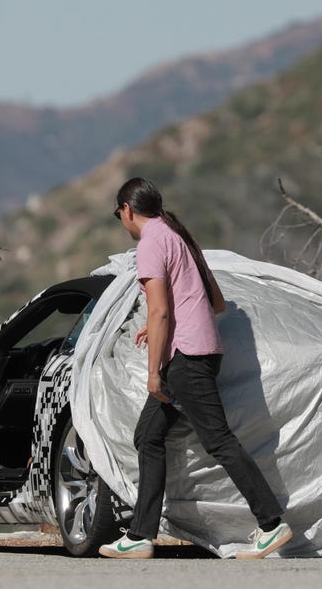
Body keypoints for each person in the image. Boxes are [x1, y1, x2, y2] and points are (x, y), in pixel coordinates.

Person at [98, 177, 293, 559]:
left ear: (127, 210)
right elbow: (214, 302)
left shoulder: (151, 242)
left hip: (186, 358)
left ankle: (271, 523)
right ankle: (140, 536)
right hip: (195, 351)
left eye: (118, 214)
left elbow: (160, 309)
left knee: (219, 440)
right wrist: (159, 325)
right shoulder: (176, 234)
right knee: (148, 435)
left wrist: (154, 371)